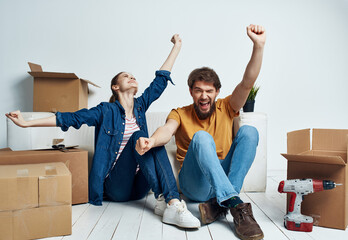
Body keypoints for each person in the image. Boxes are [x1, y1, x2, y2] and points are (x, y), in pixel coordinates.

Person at [6, 34, 200, 229]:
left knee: (155, 141)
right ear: (115, 87)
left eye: (133, 75)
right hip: (117, 187)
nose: (132, 77)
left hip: (140, 187)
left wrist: (177, 46)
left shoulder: (141, 106)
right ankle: (171, 202)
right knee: (139, 136)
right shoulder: (105, 111)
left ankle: (166, 202)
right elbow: (70, 118)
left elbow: (160, 81)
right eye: (126, 76)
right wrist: (26, 123)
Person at [135, 25, 266, 240]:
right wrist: (152, 140)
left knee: (249, 132)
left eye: (209, 91)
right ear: (191, 92)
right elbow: (167, 130)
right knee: (201, 137)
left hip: (222, 179)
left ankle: (222, 203)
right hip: (195, 183)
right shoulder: (180, 113)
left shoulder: (227, 106)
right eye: (198, 91)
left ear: (217, 93)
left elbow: (247, 83)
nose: (204, 96)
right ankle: (235, 203)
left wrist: (258, 47)